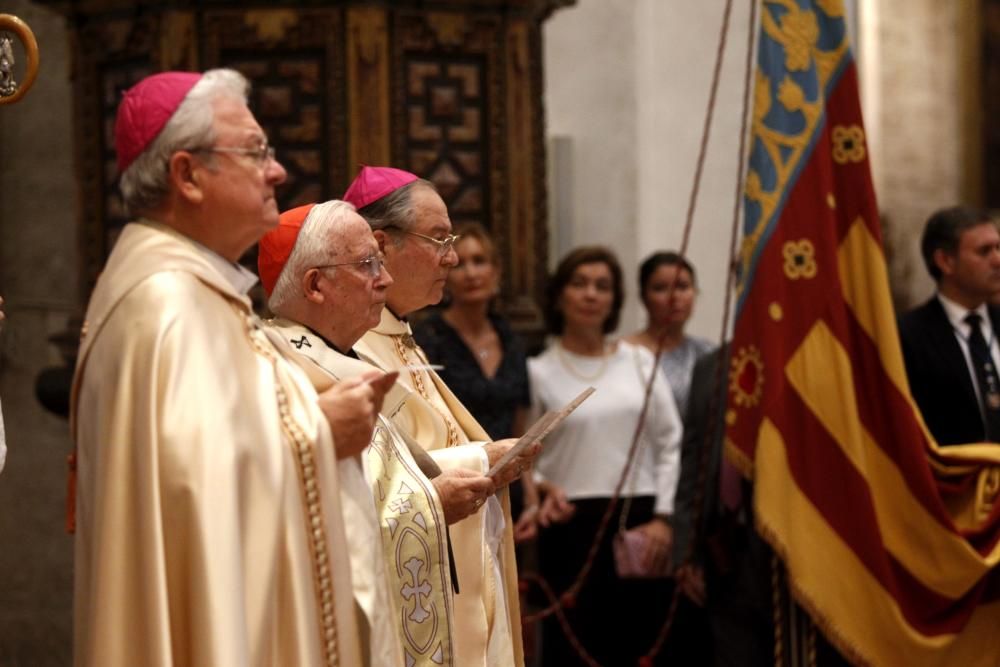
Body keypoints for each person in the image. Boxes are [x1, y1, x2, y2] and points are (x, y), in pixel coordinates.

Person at [71, 70, 383, 666]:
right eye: (255, 151)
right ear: (187, 175)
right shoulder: (165, 305)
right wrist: (322, 432)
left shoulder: (196, 291)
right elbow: (191, 492)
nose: (277, 171)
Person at [259, 200, 506, 666]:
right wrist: (433, 504)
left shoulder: (347, 360)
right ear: (315, 285)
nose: (385, 279)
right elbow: (305, 516)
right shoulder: (277, 378)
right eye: (367, 264)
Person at [345, 166, 533, 666]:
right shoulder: (348, 351)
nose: (451, 257)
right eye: (439, 239)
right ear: (382, 245)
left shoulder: (401, 337)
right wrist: (482, 458)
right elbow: (369, 481)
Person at [528, 246, 684, 665]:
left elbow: (670, 441)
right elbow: (527, 453)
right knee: (576, 649)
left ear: (615, 300)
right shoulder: (538, 370)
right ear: (559, 295)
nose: (590, 294)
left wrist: (665, 519)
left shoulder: (639, 360)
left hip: (641, 524)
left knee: (643, 644)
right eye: (579, 284)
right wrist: (542, 487)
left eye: (602, 286)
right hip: (569, 527)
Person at [413, 222, 539, 541]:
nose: (471, 273)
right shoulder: (429, 338)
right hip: (458, 479)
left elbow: (518, 427)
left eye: (480, 261)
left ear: (496, 271)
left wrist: (532, 496)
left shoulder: (510, 337)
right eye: (462, 263)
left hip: (510, 484)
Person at [899, 206, 1000, 445]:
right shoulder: (909, 335)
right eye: (984, 251)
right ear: (945, 261)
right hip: (951, 477)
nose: (997, 259)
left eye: (998, 248)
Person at [625, 251, 714, 417]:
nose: (674, 297)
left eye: (682, 286)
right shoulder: (623, 353)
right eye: (660, 288)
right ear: (643, 297)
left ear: (695, 292)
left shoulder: (706, 352)